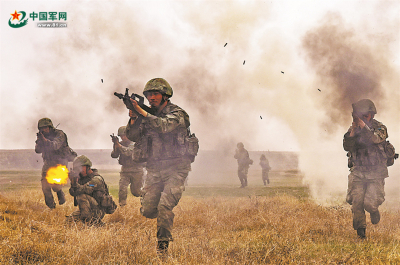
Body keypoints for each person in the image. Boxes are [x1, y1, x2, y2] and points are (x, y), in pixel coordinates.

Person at [125, 78, 198, 257]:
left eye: (155, 94)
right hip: (154, 168)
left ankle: (162, 249)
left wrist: (141, 111)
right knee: (149, 210)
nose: (151, 97)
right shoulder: (146, 115)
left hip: (176, 168)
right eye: (148, 94)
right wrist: (134, 118)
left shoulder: (177, 113)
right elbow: (133, 136)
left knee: (165, 206)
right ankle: (160, 221)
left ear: (165, 95)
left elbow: (164, 126)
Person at [343, 99, 389, 239]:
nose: (363, 118)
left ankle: (374, 211)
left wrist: (364, 127)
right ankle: (361, 234)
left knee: (369, 203)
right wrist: (352, 132)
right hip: (358, 171)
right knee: (357, 203)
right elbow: (347, 147)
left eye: (366, 115)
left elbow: (375, 139)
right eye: (360, 116)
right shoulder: (354, 129)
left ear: (372, 115)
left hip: (376, 172)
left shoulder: (380, 127)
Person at [35, 118, 73, 209]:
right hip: (48, 163)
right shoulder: (43, 137)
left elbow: (55, 146)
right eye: (42, 128)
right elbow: (37, 150)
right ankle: (51, 207)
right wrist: (39, 141)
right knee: (45, 185)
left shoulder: (60, 134)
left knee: (55, 185)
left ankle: (59, 192)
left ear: (50, 127)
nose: (44, 130)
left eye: (46, 127)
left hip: (60, 162)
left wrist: (45, 141)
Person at [67, 155, 115, 226]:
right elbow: (73, 193)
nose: (79, 170)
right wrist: (73, 182)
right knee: (69, 221)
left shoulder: (96, 179)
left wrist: (75, 183)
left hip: (99, 210)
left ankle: (93, 222)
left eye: (80, 167)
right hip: (87, 209)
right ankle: (95, 223)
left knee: (81, 196)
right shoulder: (82, 179)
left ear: (88, 167)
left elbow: (85, 189)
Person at [111, 126, 145, 207]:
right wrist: (115, 145)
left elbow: (128, 152)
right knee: (122, 188)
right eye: (121, 136)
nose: (123, 137)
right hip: (125, 171)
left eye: (125, 135)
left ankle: (147, 200)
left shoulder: (135, 143)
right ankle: (122, 206)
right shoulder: (120, 144)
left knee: (136, 192)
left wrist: (118, 145)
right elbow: (114, 155)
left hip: (137, 171)